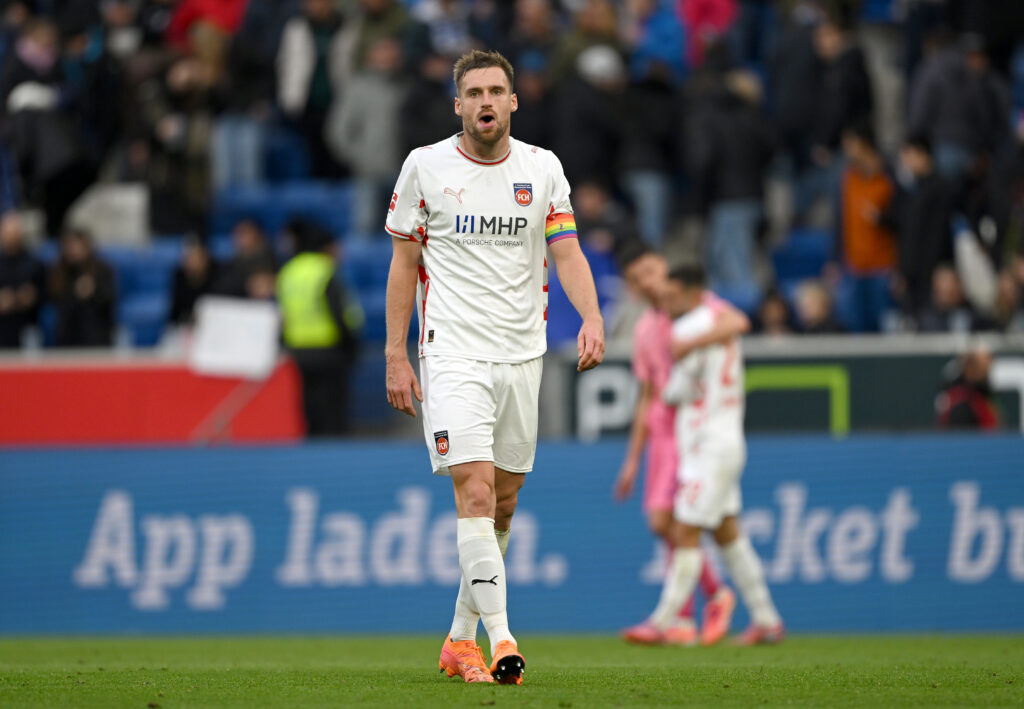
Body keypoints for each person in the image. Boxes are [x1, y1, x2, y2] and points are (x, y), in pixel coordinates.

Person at [384, 49, 604, 685]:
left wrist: (591, 316)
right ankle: (503, 639)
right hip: (451, 351)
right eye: (474, 92)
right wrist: (396, 353)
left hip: (522, 354)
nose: (485, 102)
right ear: (458, 104)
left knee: (502, 505)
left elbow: (567, 253)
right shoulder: (425, 166)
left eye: (495, 91)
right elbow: (403, 264)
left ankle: (460, 640)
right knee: (474, 490)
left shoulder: (543, 168)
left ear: (513, 101)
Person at [632, 263, 784, 645]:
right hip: (727, 438)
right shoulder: (718, 321)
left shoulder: (689, 328)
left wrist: (667, 387)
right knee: (728, 534)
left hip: (707, 446)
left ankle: (663, 622)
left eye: (672, 297)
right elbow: (736, 325)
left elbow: (678, 391)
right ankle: (767, 620)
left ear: (691, 293)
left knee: (685, 530)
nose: (666, 304)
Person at [614, 240, 744, 647]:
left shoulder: (696, 311)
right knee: (666, 524)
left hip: (690, 428)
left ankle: (697, 607)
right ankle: (695, 611)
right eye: (637, 279)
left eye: (650, 271)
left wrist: (690, 343)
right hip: (661, 433)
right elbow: (647, 394)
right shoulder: (645, 328)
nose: (648, 282)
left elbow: (737, 322)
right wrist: (632, 459)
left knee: (670, 522)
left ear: (663, 268)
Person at [278, 219, 364, 437]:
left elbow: (281, 314)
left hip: (298, 350)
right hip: (329, 350)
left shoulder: (287, 272)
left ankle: (311, 446)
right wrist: (352, 343)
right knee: (333, 411)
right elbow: (340, 312)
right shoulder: (325, 270)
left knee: (310, 405)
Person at [48, 227, 116, 347]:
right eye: (69, 246)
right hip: (68, 336)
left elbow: (110, 299)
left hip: (97, 336)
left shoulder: (103, 270)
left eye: (78, 246)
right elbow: (55, 301)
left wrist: (94, 291)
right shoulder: (58, 272)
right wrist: (75, 293)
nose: (74, 250)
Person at [0, 211, 44, 347]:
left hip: (26, 324)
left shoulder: (34, 263)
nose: (12, 237)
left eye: (15, 233)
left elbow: (47, 292)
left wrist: (33, 296)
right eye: (9, 233)